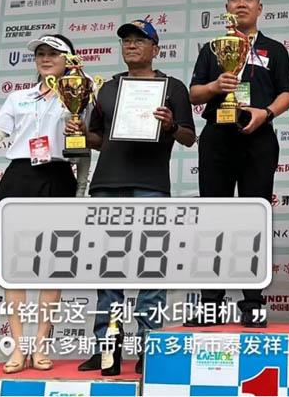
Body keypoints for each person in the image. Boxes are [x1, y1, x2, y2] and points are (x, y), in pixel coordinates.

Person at [72, 20, 195, 374]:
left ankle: (148, 347)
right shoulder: (108, 88)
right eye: (126, 40)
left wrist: (171, 125)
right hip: (106, 184)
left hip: (151, 184)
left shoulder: (173, 87)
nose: (131, 44)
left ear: (155, 49)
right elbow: (98, 140)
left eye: (140, 40)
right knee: (107, 270)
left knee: (150, 270)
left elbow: (189, 137)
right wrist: (81, 130)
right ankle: (106, 348)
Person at [0, 34, 89, 373]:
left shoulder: (79, 95)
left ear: (69, 59)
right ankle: (17, 346)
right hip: (20, 178)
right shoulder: (18, 97)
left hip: (58, 177)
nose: (45, 58)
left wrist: (80, 193)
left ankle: (40, 346)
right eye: (40, 53)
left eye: (53, 53)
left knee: (53, 267)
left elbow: (82, 150)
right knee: (15, 270)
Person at [187, 0, 289, 329]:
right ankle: (211, 304)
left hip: (258, 138)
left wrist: (267, 114)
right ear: (227, 7)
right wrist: (215, 86)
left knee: (253, 222)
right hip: (217, 138)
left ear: (260, 7)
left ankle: (253, 303)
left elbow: (287, 93)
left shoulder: (274, 49)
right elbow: (193, 93)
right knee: (213, 222)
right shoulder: (212, 48)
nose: (241, 3)